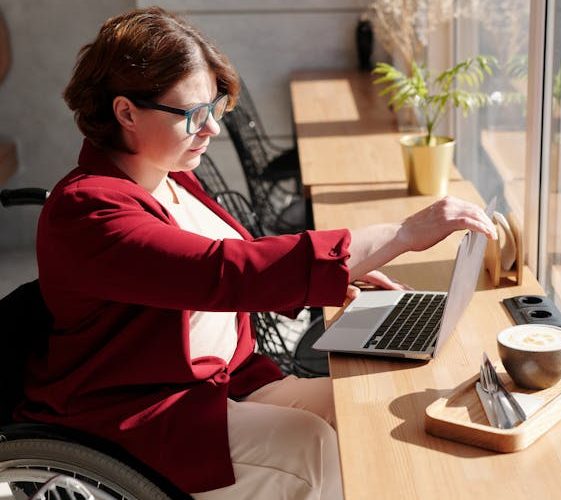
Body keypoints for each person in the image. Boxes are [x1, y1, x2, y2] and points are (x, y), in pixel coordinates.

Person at [15, 7, 497, 499]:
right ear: (126, 112)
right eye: (192, 116)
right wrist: (401, 234)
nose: (212, 129)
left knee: (365, 406)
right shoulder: (87, 210)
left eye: (214, 108)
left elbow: (239, 255)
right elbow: (223, 272)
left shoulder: (170, 175)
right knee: (313, 448)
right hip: (144, 413)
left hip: (224, 384)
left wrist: (346, 272)